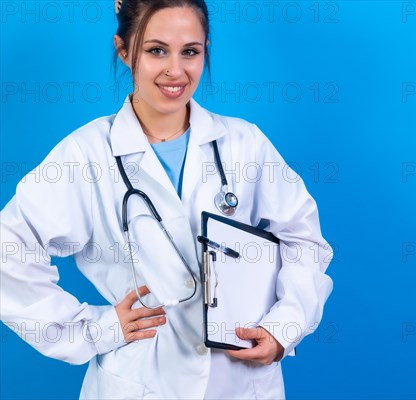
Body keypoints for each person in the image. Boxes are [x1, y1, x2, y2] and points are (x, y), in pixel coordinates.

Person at [0, 0, 334, 398]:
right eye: (156, 50)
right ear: (124, 50)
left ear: (205, 49)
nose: (175, 70)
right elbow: (9, 250)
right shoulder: (85, 155)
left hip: (242, 380)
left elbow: (305, 241)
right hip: (141, 381)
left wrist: (285, 326)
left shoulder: (244, 144)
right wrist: (94, 329)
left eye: (190, 51)